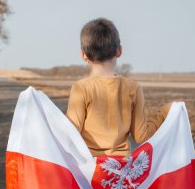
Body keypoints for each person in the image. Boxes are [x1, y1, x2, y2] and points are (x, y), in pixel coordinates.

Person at [66, 18, 172, 157]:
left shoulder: (81, 88)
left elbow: (69, 132)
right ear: (119, 51)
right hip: (121, 171)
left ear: (84, 55)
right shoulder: (133, 88)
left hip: (89, 170)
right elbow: (141, 136)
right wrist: (166, 112)